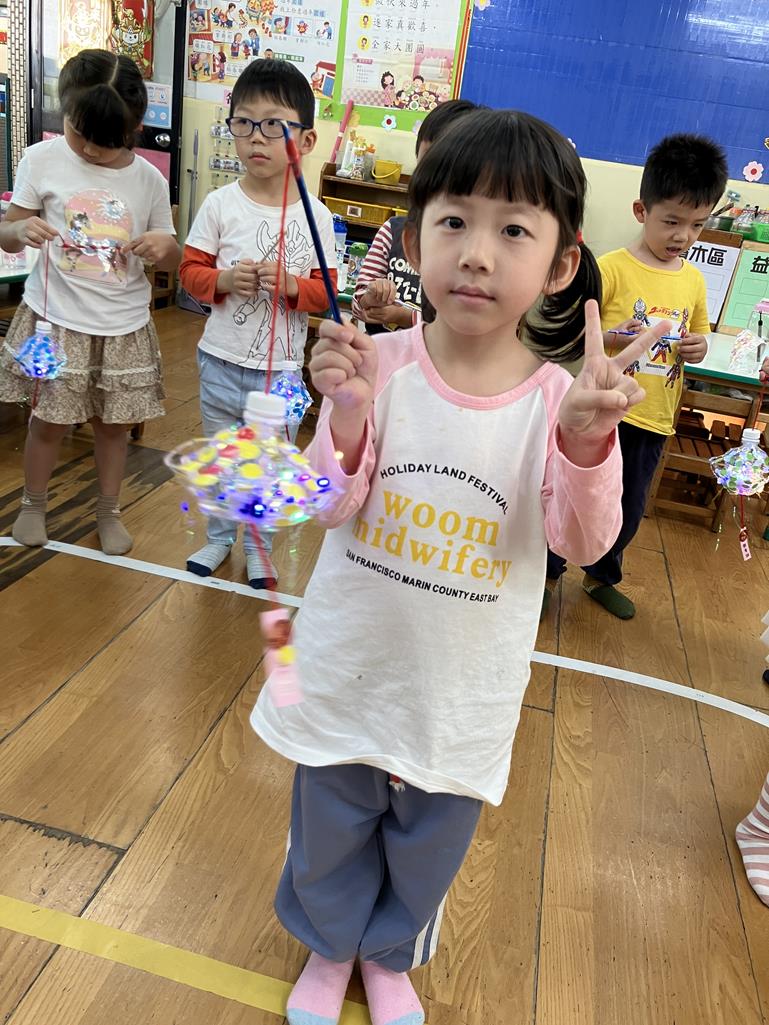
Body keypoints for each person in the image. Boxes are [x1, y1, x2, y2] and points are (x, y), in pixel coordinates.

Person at [249, 108, 669, 1025]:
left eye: (513, 230)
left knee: (428, 843)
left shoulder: (558, 399)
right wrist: (345, 416)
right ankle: (328, 945)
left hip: (460, 691)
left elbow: (583, 543)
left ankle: (386, 954)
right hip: (350, 665)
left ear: (559, 265)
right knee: (328, 825)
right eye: (453, 222)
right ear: (413, 241)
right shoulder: (379, 364)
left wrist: (587, 443)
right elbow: (326, 505)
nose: (477, 254)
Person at [0, 48, 178, 555]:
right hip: (56, 321)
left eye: (108, 141)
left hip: (122, 325)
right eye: (80, 134)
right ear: (66, 110)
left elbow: (172, 254)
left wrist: (164, 248)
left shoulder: (148, 179)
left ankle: (108, 510)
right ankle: (33, 505)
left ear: (135, 128)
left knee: (113, 428)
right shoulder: (41, 159)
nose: (92, 150)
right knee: (48, 421)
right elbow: (7, 233)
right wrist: (18, 231)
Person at [544, 133, 728, 619]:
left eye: (697, 224)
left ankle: (601, 576)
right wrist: (612, 337)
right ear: (641, 210)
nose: (683, 236)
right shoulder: (610, 269)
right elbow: (579, 333)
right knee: (574, 495)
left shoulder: (693, 279)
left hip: (654, 418)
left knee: (626, 508)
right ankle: (547, 570)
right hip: (602, 412)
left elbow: (700, 334)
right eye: (672, 221)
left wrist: (699, 347)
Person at [179, 59, 336, 589]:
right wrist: (224, 280)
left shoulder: (317, 216)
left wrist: (293, 287)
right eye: (244, 123)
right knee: (227, 460)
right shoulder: (220, 205)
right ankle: (221, 537)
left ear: (306, 140)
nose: (256, 137)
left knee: (271, 464)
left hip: (283, 372)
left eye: (274, 125)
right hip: (220, 360)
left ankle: (259, 547)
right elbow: (190, 273)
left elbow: (326, 292)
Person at [352, 99, 479, 334]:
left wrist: (404, 316)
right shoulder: (393, 230)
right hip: (383, 352)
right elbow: (359, 302)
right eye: (427, 163)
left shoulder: (476, 250)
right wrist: (370, 299)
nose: (436, 177)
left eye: (448, 166)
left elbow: (466, 321)